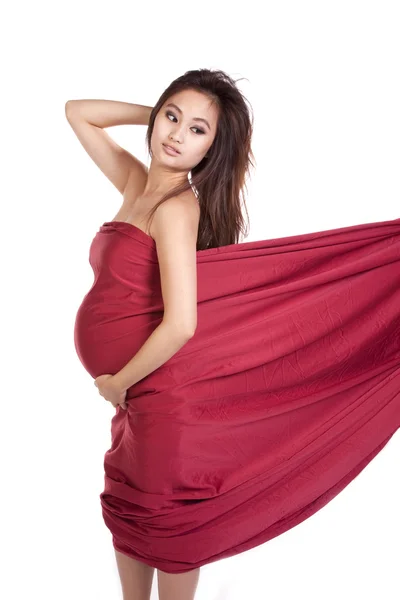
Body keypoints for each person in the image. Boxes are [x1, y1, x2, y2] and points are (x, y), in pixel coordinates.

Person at [67, 68, 400, 600]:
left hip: (152, 391)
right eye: (172, 117)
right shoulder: (137, 184)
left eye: (198, 130)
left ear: (213, 148)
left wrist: (118, 382)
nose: (176, 135)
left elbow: (181, 323)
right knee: (129, 511)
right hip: (136, 398)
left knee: (167, 526)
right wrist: (152, 113)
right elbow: (77, 111)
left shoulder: (176, 207)